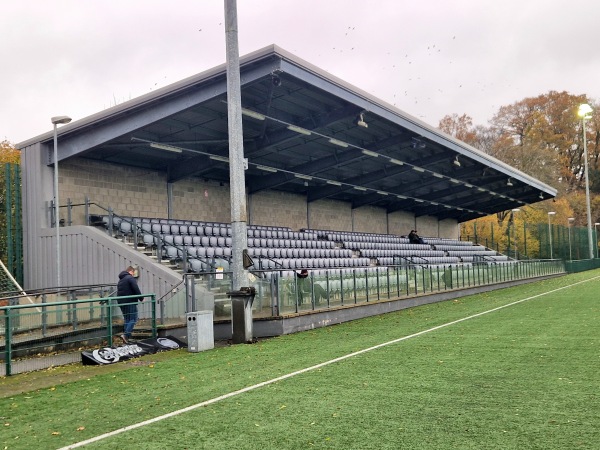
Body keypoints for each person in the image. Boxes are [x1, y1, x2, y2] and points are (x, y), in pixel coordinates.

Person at [116, 266, 143, 343]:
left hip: (121, 302)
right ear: (131, 271)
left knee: (127, 319)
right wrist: (141, 298)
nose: (133, 275)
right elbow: (136, 288)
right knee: (133, 318)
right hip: (130, 302)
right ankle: (126, 335)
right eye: (133, 273)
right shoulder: (130, 278)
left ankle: (126, 337)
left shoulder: (121, 280)